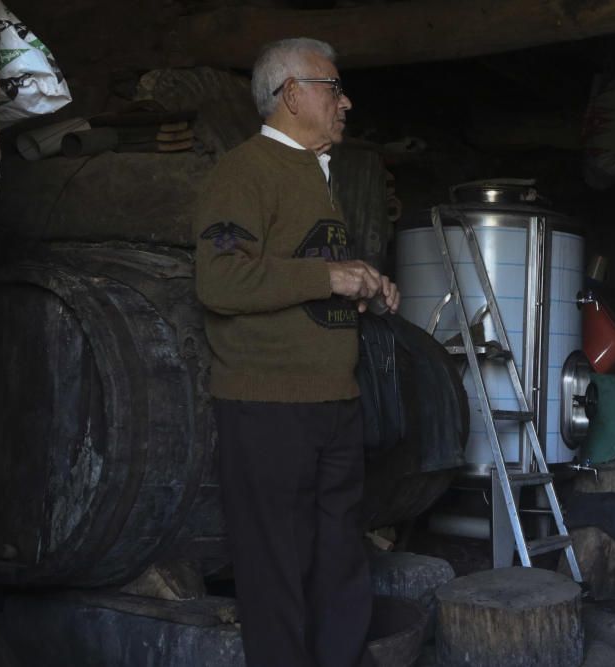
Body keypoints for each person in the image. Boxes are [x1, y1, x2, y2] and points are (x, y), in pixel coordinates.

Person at [193, 37, 399, 667]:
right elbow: (221, 282)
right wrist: (330, 278)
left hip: (335, 403)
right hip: (267, 407)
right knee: (276, 572)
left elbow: (305, 270)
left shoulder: (318, 175)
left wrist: (365, 286)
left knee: (338, 563)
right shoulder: (243, 171)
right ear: (291, 95)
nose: (346, 102)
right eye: (333, 88)